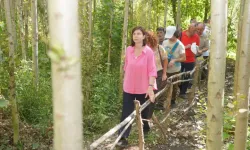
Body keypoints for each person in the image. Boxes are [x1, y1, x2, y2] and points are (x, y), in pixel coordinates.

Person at [117, 26, 157, 147]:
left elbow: (152, 71)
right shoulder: (129, 49)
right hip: (129, 87)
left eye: (139, 33)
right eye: (134, 33)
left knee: (144, 112)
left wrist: (150, 87)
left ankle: (145, 127)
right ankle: (123, 137)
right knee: (126, 113)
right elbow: (126, 67)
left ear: (144, 36)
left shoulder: (149, 52)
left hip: (143, 88)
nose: (136, 36)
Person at [162, 26, 186, 107]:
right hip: (165, 68)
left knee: (174, 86)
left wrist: (174, 60)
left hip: (175, 69)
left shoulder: (180, 45)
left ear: (176, 34)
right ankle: (162, 101)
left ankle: (172, 101)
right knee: (163, 85)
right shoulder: (165, 43)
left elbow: (183, 58)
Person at [145, 31, 168, 113]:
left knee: (153, 93)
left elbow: (165, 60)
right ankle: (144, 111)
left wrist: (164, 73)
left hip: (158, 73)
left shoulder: (160, 48)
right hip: (146, 74)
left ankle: (149, 115)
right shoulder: (144, 49)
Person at [179, 23, 200, 99]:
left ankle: (183, 92)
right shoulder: (181, 34)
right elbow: (177, 45)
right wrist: (185, 47)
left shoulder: (196, 37)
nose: (195, 32)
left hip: (190, 59)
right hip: (181, 58)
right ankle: (178, 89)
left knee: (187, 76)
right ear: (189, 28)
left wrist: (198, 51)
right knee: (179, 75)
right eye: (194, 30)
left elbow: (197, 47)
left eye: (196, 30)